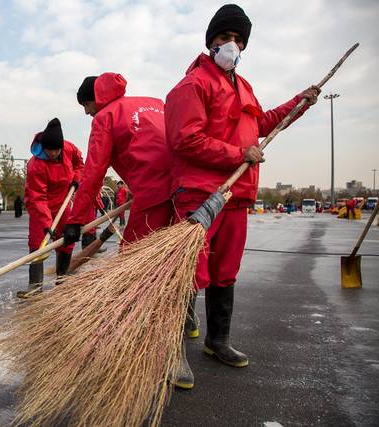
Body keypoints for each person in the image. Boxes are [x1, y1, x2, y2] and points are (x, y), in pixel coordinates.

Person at [164, 4, 321, 388]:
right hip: (201, 195)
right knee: (188, 275)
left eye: (238, 39)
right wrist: (238, 154)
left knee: (224, 273)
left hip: (237, 194)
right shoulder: (192, 85)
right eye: (224, 37)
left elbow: (260, 124)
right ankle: (170, 354)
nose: (231, 45)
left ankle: (218, 341)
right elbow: (185, 139)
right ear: (210, 41)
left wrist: (297, 104)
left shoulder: (243, 85)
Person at [63, 72, 172, 248]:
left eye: (87, 104)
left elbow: (93, 174)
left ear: (97, 97)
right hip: (184, 186)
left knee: (132, 257)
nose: (86, 111)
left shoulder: (104, 118)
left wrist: (75, 220)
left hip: (153, 193)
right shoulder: (155, 103)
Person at [19, 118, 84, 298]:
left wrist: (76, 178)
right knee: (38, 244)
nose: (53, 153)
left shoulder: (69, 149)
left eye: (57, 150)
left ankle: (62, 280)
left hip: (63, 204)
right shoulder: (35, 165)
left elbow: (80, 163)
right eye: (49, 150)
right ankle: (35, 286)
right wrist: (48, 223)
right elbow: (38, 197)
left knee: (67, 240)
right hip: (40, 206)